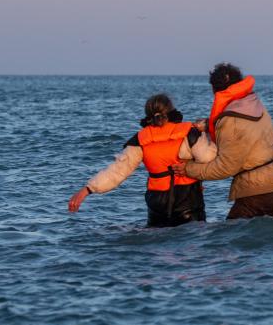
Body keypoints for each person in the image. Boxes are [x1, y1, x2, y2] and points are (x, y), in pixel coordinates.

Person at [69, 94, 216, 227]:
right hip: (189, 207)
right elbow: (208, 157)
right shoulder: (189, 132)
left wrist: (87, 190)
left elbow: (117, 172)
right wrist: (207, 132)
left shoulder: (140, 140)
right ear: (171, 111)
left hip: (157, 209)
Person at [171, 64, 273, 219]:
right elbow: (243, 127)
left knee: (227, 241)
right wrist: (208, 125)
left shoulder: (230, 120)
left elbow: (225, 168)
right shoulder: (255, 104)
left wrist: (188, 169)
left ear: (215, 90)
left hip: (256, 194)